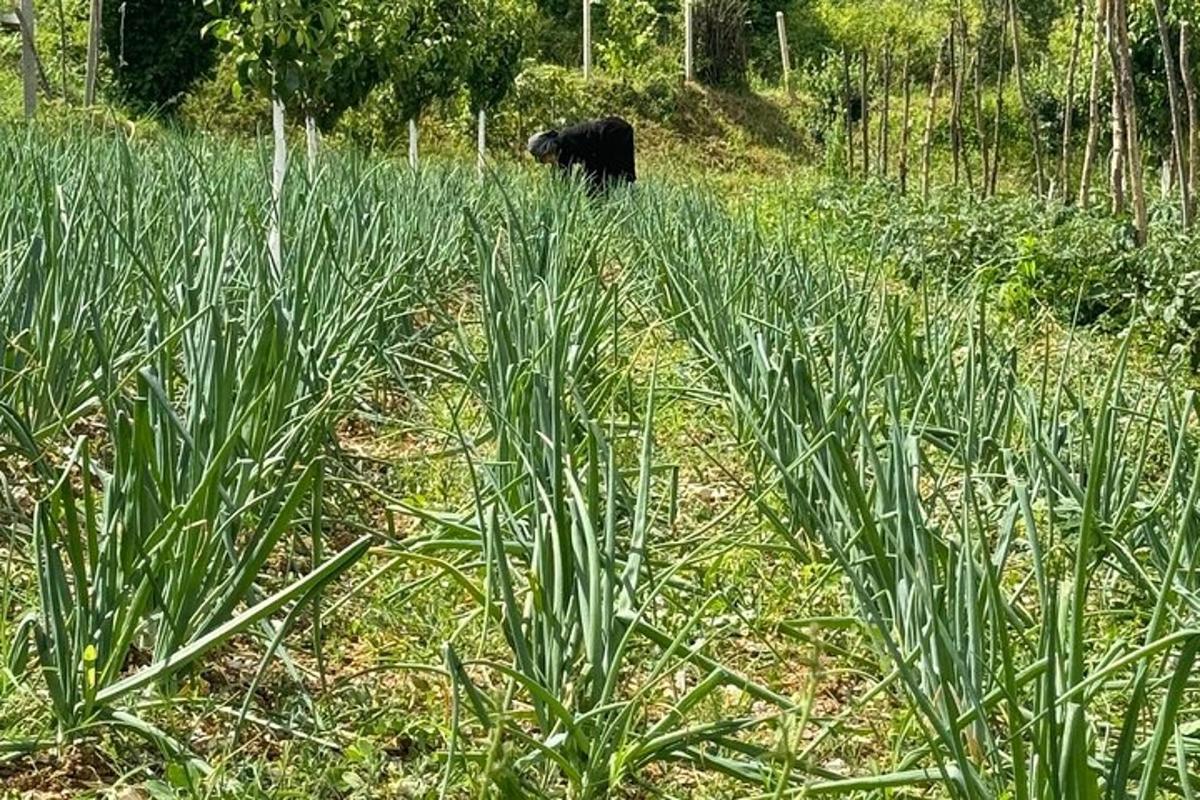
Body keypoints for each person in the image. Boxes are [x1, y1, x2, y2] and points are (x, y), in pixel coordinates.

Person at [527, 116, 636, 193]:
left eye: (542, 158)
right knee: (603, 182)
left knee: (620, 175)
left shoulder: (565, 140)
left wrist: (593, 186)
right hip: (605, 141)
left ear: (545, 149)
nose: (546, 162)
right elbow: (565, 178)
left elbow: (590, 159)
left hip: (612, 132)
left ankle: (629, 194)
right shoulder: (561, 154)